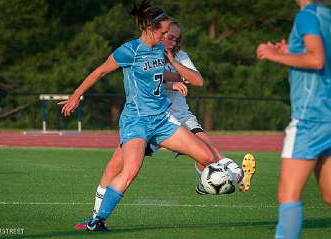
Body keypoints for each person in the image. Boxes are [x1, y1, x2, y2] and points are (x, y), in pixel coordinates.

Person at [60, 1, 246, 232]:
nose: (167, 36)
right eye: (163, 32)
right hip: (137, 121)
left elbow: (159, 74)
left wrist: (174, 78)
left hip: (162, 120)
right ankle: (97, 220)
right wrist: (76, 96)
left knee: (208, 156)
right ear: (150, 29)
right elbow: (99, 71)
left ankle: (207, 183)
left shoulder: (160, 50)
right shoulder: (129, 51)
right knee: (129, 171)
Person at [256, 1, 331, 238]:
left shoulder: (305, 16)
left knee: (288, 195)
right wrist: (290, 52)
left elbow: (316, 60)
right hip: (327, 113)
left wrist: (276, 55)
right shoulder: (326, 15)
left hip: (311, 117)